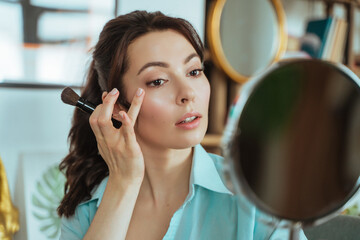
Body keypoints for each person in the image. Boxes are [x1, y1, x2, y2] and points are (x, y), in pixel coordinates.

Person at [57, 10, 307, 240]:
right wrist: (123, 184)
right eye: (158, 81)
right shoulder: (86, 211)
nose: (188, 93)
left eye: (194, 71)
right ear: (118, 106)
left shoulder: (257, 196)